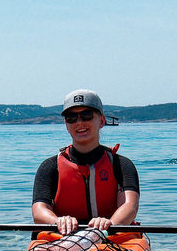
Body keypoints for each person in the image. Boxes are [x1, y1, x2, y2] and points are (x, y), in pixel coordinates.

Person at [32, 90, 139, 236]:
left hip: (111, 236)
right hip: (63, 237)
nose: (80, 122)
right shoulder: (50, 167)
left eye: (87, 115)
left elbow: (130, 206)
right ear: (66, 125)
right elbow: (38, 211)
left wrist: (109, 226)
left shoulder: (122, 165)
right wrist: (58, 221)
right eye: (72, 117)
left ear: (101, 121)